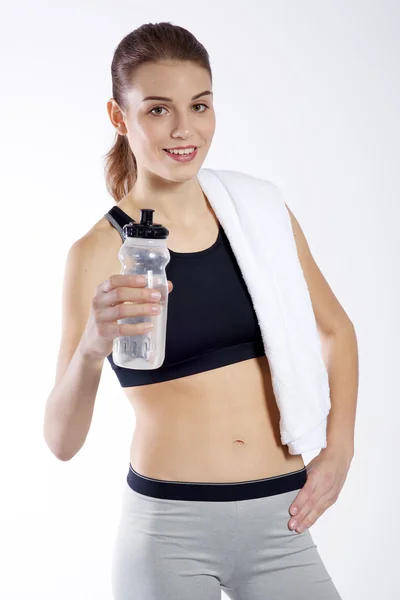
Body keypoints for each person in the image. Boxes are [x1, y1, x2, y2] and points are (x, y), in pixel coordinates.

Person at [43, 22, 348, 600]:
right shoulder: (94, 254)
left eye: (199, 105)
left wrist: (340, 449)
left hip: (283, 521)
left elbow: (337, 331)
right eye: (158, 110)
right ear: (119, 116)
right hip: (170, 536)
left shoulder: (258, 212)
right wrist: (90, 347)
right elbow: (60, 441)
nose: (185, 130)